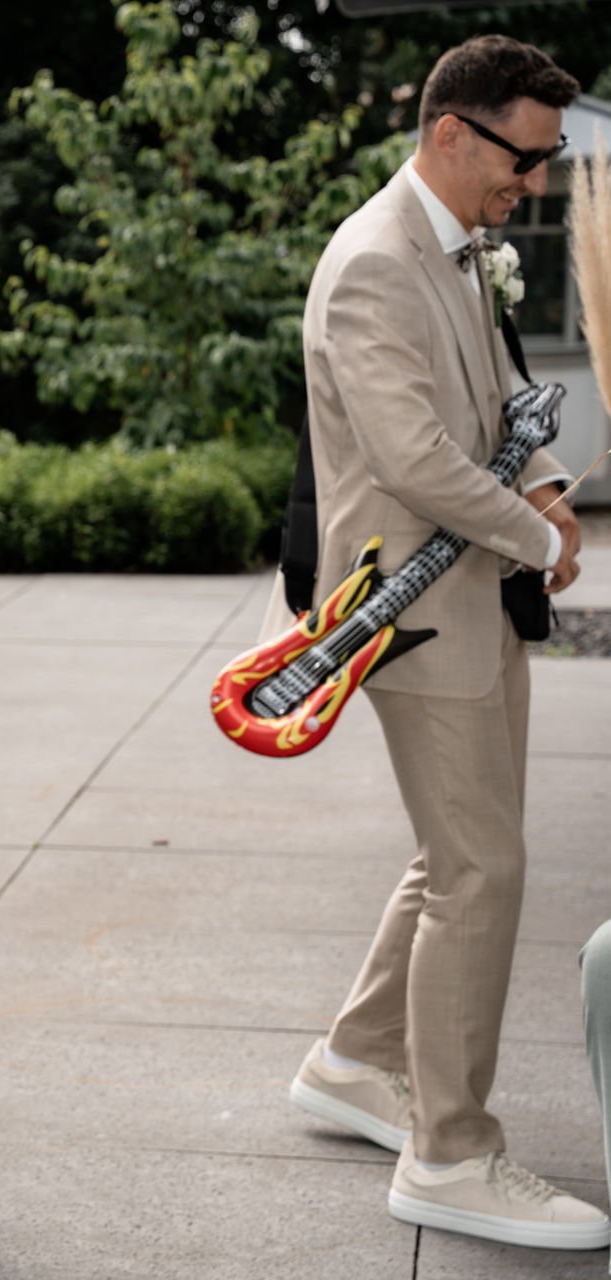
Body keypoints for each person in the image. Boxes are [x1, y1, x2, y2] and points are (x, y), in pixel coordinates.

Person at [281, 35, 609, 1251]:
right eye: (525, 157)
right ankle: (450, 1153)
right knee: (481, 866)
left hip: (469, 588)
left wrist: (548, 483)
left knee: (459, 849)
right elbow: (414, 456)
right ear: (451, 133)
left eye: (548, 158)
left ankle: (357, 1058)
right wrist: (533, 532)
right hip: (413, 606)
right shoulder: (376, 261)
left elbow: (495, 398)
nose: (535, 181)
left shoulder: (456, 245)